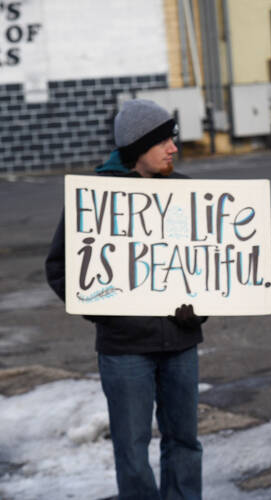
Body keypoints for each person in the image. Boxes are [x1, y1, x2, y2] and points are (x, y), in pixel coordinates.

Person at [45, 99, 205, 500]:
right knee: (132, 450)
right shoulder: (95, 198)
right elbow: (61, 268)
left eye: (173, 138)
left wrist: (200, 310)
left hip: (181, 343)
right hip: (125, 348)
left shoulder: (186, 192)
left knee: (184, 441)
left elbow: (208, 265)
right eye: (164, 140)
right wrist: (104, 310)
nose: (173, 148)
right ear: (137, 147)